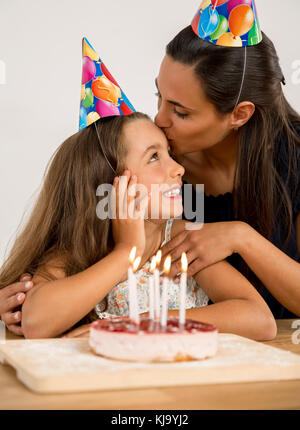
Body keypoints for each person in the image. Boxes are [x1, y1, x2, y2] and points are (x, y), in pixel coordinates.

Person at [0, 39, 276, 340]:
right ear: (108, 183)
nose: (179, 168)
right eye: (154, 157)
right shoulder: (82, 249)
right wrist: (125, 253)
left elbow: (260, 320)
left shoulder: (182, 238)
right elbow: (37, 323)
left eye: (169, 152)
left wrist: (137, 324)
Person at [154, 3, 300, 319]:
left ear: (239, 114)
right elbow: (90, 244)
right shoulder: (156, 163)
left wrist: (240, 237)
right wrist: (37, 286)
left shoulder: (295, 161)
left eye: (180, 112)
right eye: (159, 98)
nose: (159, 119)